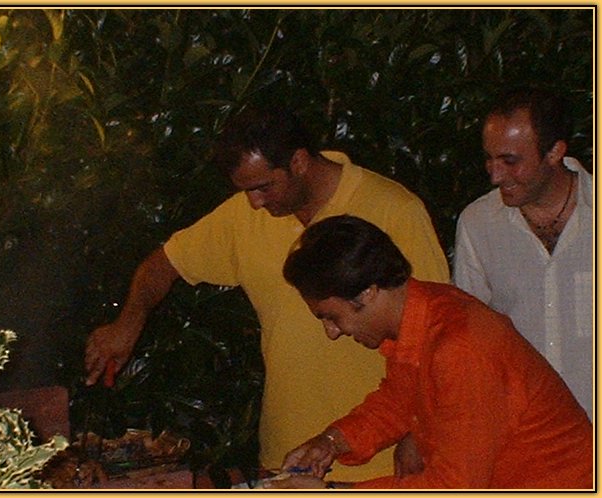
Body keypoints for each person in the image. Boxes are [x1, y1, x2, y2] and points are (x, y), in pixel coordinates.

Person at [84, 106, 450, 481]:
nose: (255, 202)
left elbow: (436, 332)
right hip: (288, 454)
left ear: (299, 162)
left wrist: (417, 431)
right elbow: (162, 265)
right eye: (246, 191)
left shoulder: (395, 209)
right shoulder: (244, 215)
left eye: (263, 187)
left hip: (384, 459)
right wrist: (127, 323)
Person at [270, 214, 592, 489]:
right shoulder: (423, 312)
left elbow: (454, 487)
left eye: (332, 317)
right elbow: (399, 401)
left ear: (367, 292)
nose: (332, 332)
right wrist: (331, 442)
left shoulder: (461, 345)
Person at [453, 87, 593, 419]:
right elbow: (469, 338)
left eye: (510, 161)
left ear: (555, 151)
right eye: (489, 158)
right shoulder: (478, 223)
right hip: (525, 435)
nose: (495, 174)